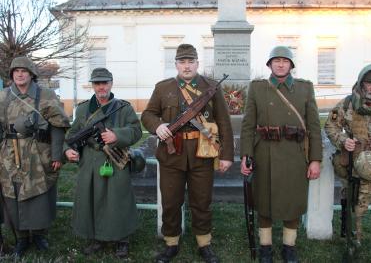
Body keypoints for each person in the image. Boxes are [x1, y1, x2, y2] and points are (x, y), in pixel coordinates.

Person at [141, 43, 234, 263]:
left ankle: (204, 243)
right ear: (176, 64)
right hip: (172, 154)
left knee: (201, 201)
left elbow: (224, 122)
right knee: (171, 202)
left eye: (191, 61)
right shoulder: (163, 88)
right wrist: (158, 126)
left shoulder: (210, 87)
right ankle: (171, 243)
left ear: (197, 63)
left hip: (202, 153)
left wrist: (227, 154)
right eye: (182, 62)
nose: (186, 66)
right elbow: (147, 114)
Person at [240, 46, 322, 263]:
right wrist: (246, 155)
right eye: (276, 60)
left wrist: (315, 159)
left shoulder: (305, 89)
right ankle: (265, 246)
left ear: (291, 65)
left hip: (295, 154)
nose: (280, 64)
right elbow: (248, 125)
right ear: (269, 64)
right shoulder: (258, 88)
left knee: (293, 200)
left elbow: (314, 126)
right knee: (263, 198)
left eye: (285, 61)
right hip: (264, 153)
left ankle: (289, 246)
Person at [64, 67, 142, 259]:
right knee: (92, 200)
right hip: (90, 162)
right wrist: (68, 150)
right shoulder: (82, 109)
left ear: (111, 83)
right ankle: (97, 237)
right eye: (97, 83)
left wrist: (117, 135)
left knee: (118, 200)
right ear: (92, 85)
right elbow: (71, 135)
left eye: (104, 82)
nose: (101, 87)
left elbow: (136, 131)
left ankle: (122, 239)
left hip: (115, 159)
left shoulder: (124, 108)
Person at [325, 64, 371, 263]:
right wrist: (343, 141)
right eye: (369, 83)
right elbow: (330, 124)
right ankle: (353, 248)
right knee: (354, 215)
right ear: (361, 84)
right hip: (357, 172)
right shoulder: (349, 104)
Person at [0, 56, 70, 257]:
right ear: (12, 75)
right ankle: (21, 238)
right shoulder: (3, 96)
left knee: (40, 194)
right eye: (16, 71)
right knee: (13, 194)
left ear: (31, 74)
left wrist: (57, 154)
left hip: (39, 152)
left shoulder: (45, 95)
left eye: (24, 71)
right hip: (9, 154)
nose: (20, 74)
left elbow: (58, 126)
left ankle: (38, 234)